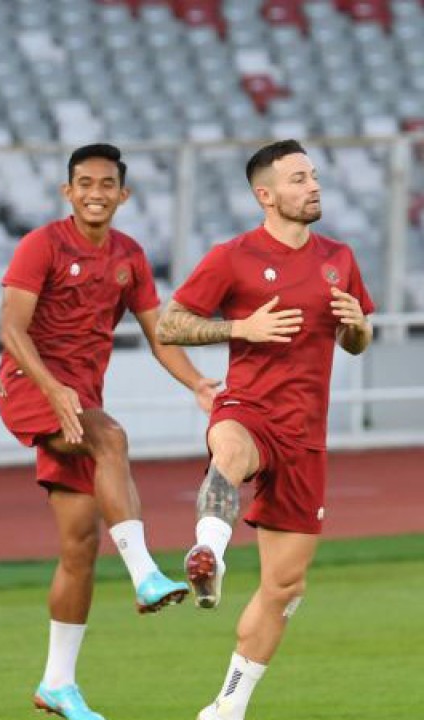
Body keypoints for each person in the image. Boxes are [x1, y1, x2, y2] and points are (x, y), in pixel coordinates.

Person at [0, 144, 220, 720]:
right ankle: (145, 572)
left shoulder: (130, 256)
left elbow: (158, 333)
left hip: (81, 400)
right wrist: (51, 388)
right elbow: (11, 328)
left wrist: (196, 383)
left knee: (79, 546)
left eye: (107, 184)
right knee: (112, 438)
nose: (95, 192)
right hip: (32, 386)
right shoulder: (41, 244)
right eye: (84, 182)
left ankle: (57, 685)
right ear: (67, 192)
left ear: (124, 194)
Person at [156, 140, 374, 720]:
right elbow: (169, 324)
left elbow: (356, 341)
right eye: (299, 178)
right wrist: (241, 328)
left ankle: (227, 707)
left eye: (314, 176)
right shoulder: (233, 257)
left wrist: (356, 328)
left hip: (308, 436)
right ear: (266, 195)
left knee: (286, 587)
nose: (313, 186)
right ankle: (211, 550)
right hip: (250, 410)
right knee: (227, 449)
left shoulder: (340, 257)